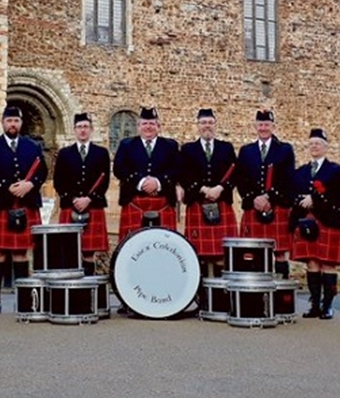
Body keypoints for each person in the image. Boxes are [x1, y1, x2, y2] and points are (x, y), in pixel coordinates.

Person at [0, 106, 48, 316]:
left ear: (20, 123)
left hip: (26, 202)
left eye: (16, 121)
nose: (12, 125)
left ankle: (23, 299)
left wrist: (31, 185)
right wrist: (7, 185)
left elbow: (42, 170)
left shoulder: (33, 145)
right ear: (3, 122)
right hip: (0, 203)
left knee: (21, 252)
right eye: (9, 121)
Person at [290, 128, 340, 319]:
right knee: (312, 263)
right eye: (312, 143)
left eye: (318, 143)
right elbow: (293, 194)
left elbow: (338, 194)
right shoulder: (300, 172)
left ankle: (328, 306)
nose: (314, 146)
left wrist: (314, 199)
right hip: (307, 222)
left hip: (328, 221)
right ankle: (315, 304)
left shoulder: (337, 170)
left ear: (326, 147)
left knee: (328, 265)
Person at [179, 109, 238, 278]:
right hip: (198, 202)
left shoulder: (226, 148)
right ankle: (202, 296)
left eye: (210, 123)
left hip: (222, 202)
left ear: (215, 125)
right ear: (198, 126)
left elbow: (234, 173)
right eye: (203, 123)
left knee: (222, 254)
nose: (207, 126)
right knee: (199, 254)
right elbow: (184, 175)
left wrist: (221, 188)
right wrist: (203, 189)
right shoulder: (188, 149)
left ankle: (220, 296)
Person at [236, 109, 296, 278]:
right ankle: (257, 292)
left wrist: (269, 197)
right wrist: (253, 198)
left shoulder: (284, 150)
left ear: (273, 126)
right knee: (254, 251)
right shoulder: (246, 151)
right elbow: (241, 179)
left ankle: (281, 292)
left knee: (280, 252)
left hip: (276, 206)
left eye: (267, 124)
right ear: (255, 126)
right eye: (260, 124)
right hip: (253, 207)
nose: (263, 128)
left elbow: (288, 178)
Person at [54, 113, 111, 275]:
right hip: (69, 206)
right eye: (79, 127)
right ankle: (72, 291)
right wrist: (73, 199)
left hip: (93, 206)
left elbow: (105, 181)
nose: (83, 130)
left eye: (86, 127)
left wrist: (89, 199)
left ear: (91, 129)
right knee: (70, 249)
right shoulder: (64, 153)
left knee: (89, 251)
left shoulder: (101, 153)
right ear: (74, 130)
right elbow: (59, 181)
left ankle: (88, 290)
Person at [114, 107, 181, 243]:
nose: (148, 127)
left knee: (164, 244)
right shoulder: (126, 145)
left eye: (152, 123)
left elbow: (177, 169)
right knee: (132, 245)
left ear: (158, 126)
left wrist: (158, 182)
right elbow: (119, 169)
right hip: (133, 201)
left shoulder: (170, 145)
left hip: (164, 201)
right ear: (138, 126)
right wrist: (141, 182)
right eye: (144, 123)